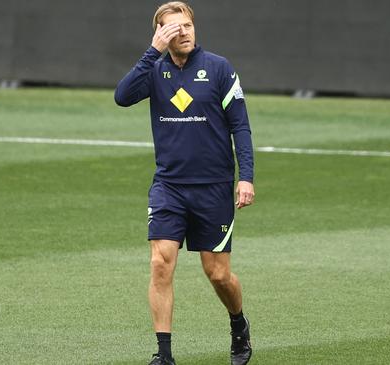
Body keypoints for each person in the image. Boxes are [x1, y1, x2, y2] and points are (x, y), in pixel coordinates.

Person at [114, 2, 255, 364]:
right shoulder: (155, 69)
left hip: (213, 188)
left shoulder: (219, 69)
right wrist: (152, 52)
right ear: (161, 33)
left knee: (218, 273)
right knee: (161, 262)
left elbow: (240, 125)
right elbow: (122, 96)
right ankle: (164, 355)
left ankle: (238, 324)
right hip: (169, 187)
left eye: (188, 25)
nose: (185, 32)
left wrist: (246, 178)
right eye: (175, 27)